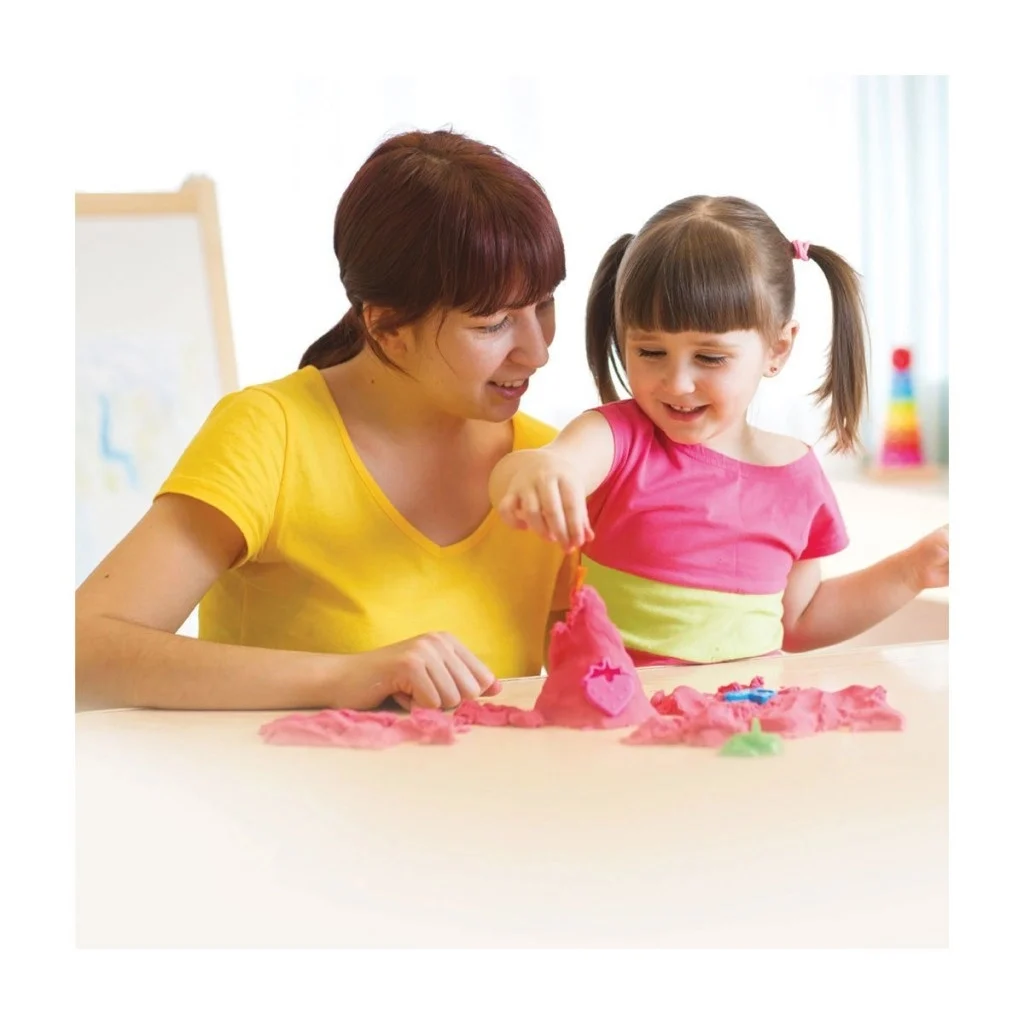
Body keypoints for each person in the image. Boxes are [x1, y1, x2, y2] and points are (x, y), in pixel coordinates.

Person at [76, 129, 574, 712]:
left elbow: (594, 689)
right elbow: (79, 652)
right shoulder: (271, 436)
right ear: (387, 325)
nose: (538, 351)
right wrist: (346, 678)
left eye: (544, 304)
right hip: (264, 775)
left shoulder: (548, 468)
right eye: (492, 324)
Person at [489, 196, 948, 666]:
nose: (677, 383)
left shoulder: (796, 477)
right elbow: (539, 468)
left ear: (778, 347)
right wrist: (540, 472)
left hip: (746, 711)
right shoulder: (615, 438)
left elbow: (801, 620)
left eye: (709, 357)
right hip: (615, 708)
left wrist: (914, 570)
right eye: (650, 352)